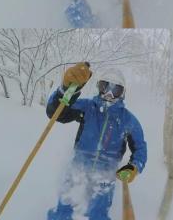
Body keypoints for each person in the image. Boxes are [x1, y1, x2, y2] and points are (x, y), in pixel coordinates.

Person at [46, 63, 147, 220]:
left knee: (98, 215)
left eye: (116, 90)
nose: (109, 94)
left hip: (105, 173)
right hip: (78, 167)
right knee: (64, 210)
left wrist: (134, 166)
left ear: (123, 93)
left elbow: (140, 148)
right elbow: (57, 112)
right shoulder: (88, 107)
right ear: (99, 87)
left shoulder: (127, 119)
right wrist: (67, 90)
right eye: (105, 87)